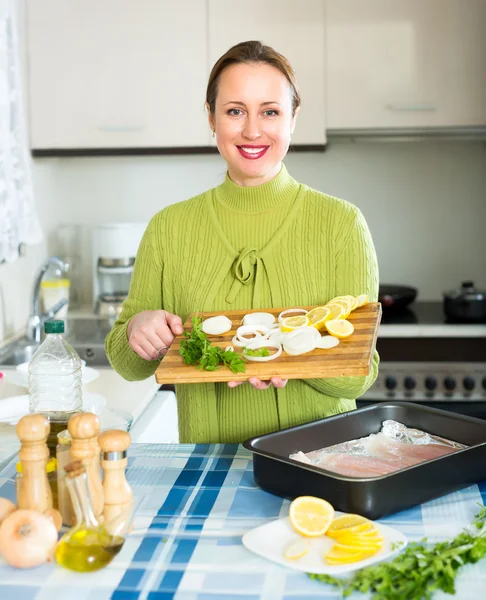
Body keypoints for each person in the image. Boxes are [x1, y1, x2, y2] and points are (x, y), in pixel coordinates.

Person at [105, 40, 380, 444]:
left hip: (320, 462)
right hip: (207, 469)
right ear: (212, 118)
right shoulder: (169, 228)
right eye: (235, 111)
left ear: (292, 118)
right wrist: (137, 332)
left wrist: (289, 358)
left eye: (270, 111)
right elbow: (128, 365)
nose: (253, 131)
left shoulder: (342, 224)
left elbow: (359, 374)